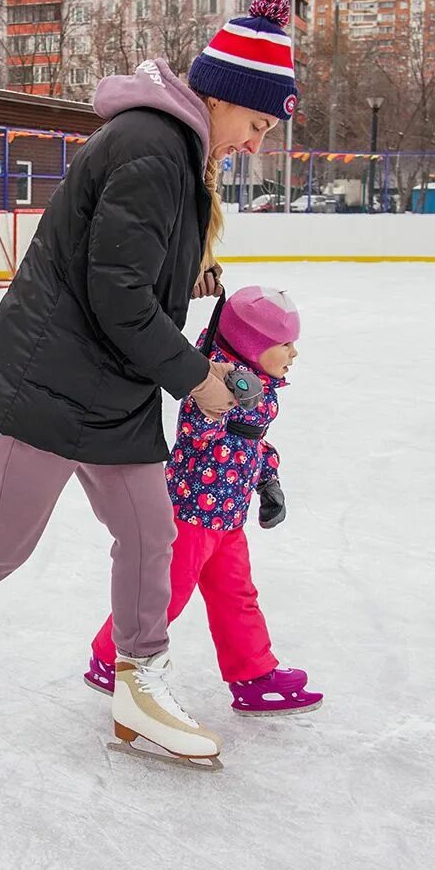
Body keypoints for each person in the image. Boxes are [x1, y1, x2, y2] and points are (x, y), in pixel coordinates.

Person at [0, 0, 300, 767]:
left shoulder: (176, 152)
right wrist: (197, 379)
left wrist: (187, 271)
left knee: (153, 531)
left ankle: (140, 686)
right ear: (222, 96)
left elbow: (126, 267)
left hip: (109, 388)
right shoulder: (154, 149)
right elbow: (115, 294)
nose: (255, 143)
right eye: (257, 125)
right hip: (48, 382)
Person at [82, 285, 323, 716]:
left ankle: (253, 676)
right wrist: (225, 400)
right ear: (253, 345)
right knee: (165, 595)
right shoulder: (210, 381)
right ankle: (108, 659)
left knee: (237, 595)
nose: (293, 353)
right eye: (284, 343)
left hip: (228, 518)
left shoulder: (259, 385)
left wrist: (268, 481)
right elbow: (196, 436)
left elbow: (250, 444)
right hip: (192, 514)